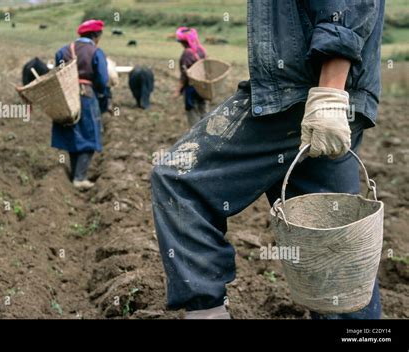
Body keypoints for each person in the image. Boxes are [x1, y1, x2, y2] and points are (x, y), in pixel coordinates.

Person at [151, 0, 385, 319]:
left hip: (299, 92)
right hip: (320, 92)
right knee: (334, 242)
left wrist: (330, 90)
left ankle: (207, 313)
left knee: (179, 178)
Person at [51, 19, 109, 191]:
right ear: (96, 35)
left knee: (72, 132)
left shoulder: (63, 51)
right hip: (86, 95)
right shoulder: (96, 52)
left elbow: (57, 72)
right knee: (89, 134)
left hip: (66, 95)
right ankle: (80, 177)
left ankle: (74, 173)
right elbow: (103, 80)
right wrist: (101, 94)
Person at [174, 27, 207, 127]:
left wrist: (177, 91)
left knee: (192, 112)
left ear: (184, 42)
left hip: (191, 88)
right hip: (203, 87)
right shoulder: (201, 50)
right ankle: (206, 133)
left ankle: (196, 135)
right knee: (203, 111)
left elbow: (185, 75)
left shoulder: (187, 54)